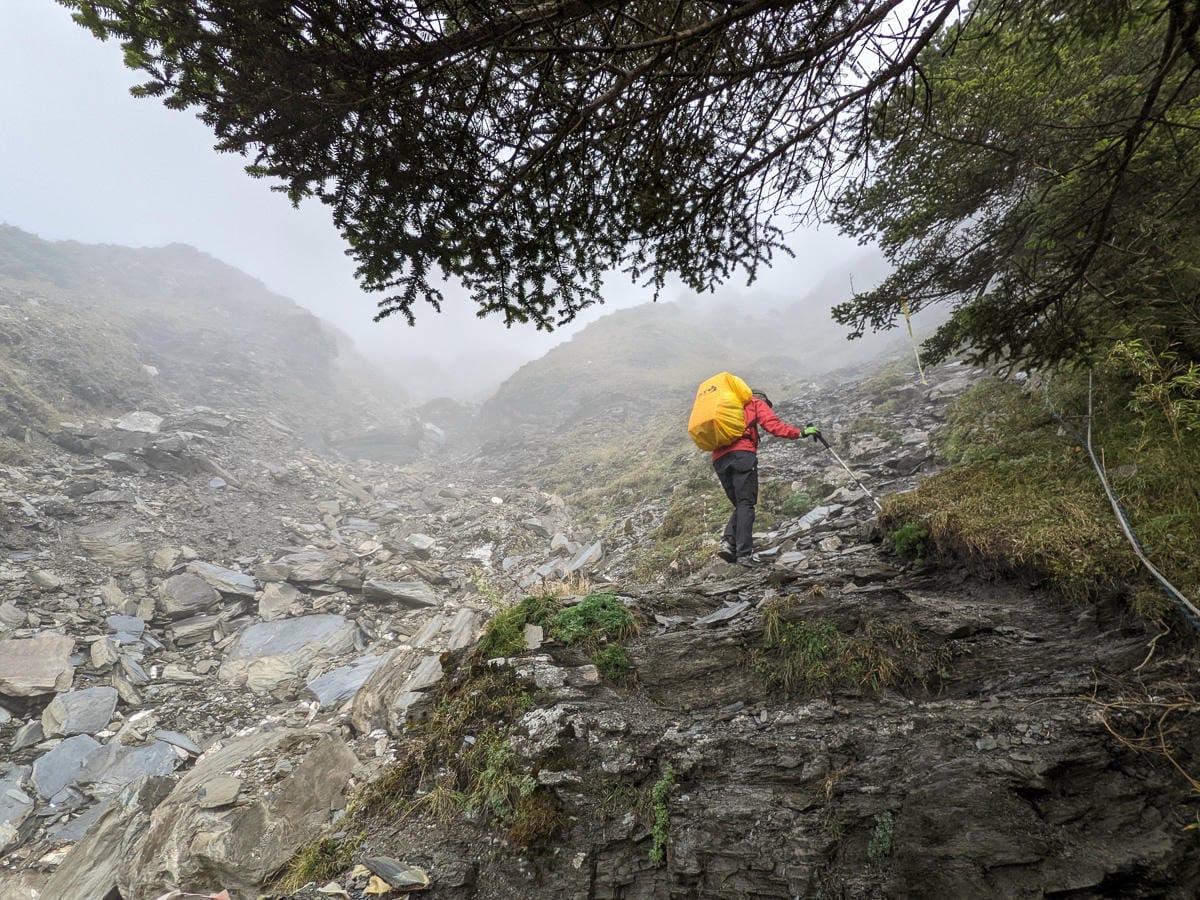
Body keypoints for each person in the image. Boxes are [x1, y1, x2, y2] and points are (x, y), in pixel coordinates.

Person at [713, 390, 819, 566]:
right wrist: (800, 433)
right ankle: (744, 554)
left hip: (719, 459)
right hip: (742, 455)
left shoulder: (727, 408)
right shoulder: (755, 402)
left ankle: (728, 543)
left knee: (740, 503)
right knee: (746, 503)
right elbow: (772, 425)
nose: (767, 407)